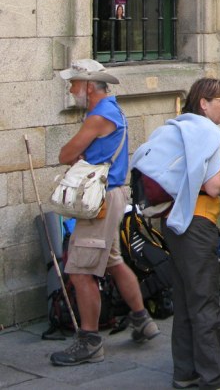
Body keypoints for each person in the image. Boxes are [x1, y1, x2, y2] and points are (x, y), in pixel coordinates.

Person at [50, 60, 161, 367]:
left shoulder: (98, 117)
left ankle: (89, 341)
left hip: (98, 201)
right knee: (113, 260)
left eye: (74, 84)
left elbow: (66, 155)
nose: (71, 91)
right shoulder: (113, 109)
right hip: (112, 195)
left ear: (89, 86)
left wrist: (79, 153)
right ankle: (142, 320)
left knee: (80, 270)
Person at [144, 78, 220, 390]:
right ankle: (214, 378)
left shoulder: (179, 128)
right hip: (198, 222)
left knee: (186, 299)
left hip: (173, 221)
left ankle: (185, 372)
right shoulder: (206, 135)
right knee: (204, 300)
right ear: (204, 103)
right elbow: (214, 186)